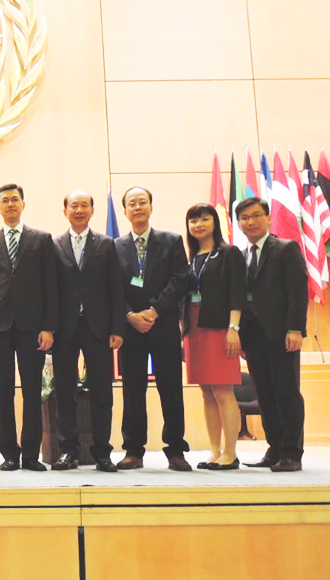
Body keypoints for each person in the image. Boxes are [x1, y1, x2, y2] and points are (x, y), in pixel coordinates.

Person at [0, 184, 58, 472]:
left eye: (14, 200)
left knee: (32, 391)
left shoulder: (42, 239)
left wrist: (49, 327)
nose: (10, 204)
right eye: (4, 201)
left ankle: (31, 455)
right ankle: (10, 453)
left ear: (23, 204)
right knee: (4, 391)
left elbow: (51, 287)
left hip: (32, 327)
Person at [113, 187, 191, 471]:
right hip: (131, 330)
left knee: (171, 389)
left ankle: (175, 450)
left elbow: (181, 279)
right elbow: (112, 288)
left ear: (150, 207)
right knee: (133, 391)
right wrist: (130, 315)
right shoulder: (116, 246)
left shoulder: (171, 241)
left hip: (164, 326)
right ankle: (133, 450)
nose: (137, 207)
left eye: (142, 202)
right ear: (125, 211)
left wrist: (154, 310)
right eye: (131, 204)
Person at [50, 191, 124, 473]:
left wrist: (117, 328)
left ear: (92, 210)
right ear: (65, 210)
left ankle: (102, 452)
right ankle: (68, 451)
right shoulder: (54, 245)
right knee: (64, 390)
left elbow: (116, 288)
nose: (79, 210)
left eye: (84, 205)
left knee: (103, 392)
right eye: (73, 205)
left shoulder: (106, 244)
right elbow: (50, 289)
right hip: (64, 329)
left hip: (99, 329)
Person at [236, 197, 308, 472]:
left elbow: (297, 292)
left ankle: (292, 452)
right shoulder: (241, 254)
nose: (250, 222)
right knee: (265, 393)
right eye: (244, 218)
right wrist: (241, 336)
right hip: (254, 337)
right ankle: (275, 448)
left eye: (256, 216)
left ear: (268, 218)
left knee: (286, 393)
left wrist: (295, 329)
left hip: (282, 335)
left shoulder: (286, 248)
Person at [182, 204, 246, 471]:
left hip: (220, 327)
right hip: (193, 328)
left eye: (204, 219)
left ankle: (231, 452)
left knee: (222, 390)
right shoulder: (191, 257)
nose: (198, 225)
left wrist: (234, 328)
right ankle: (215, 450)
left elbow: (237, 293)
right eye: (193, 221)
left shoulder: (228, 253)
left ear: (214, 222)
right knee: (206, 391)